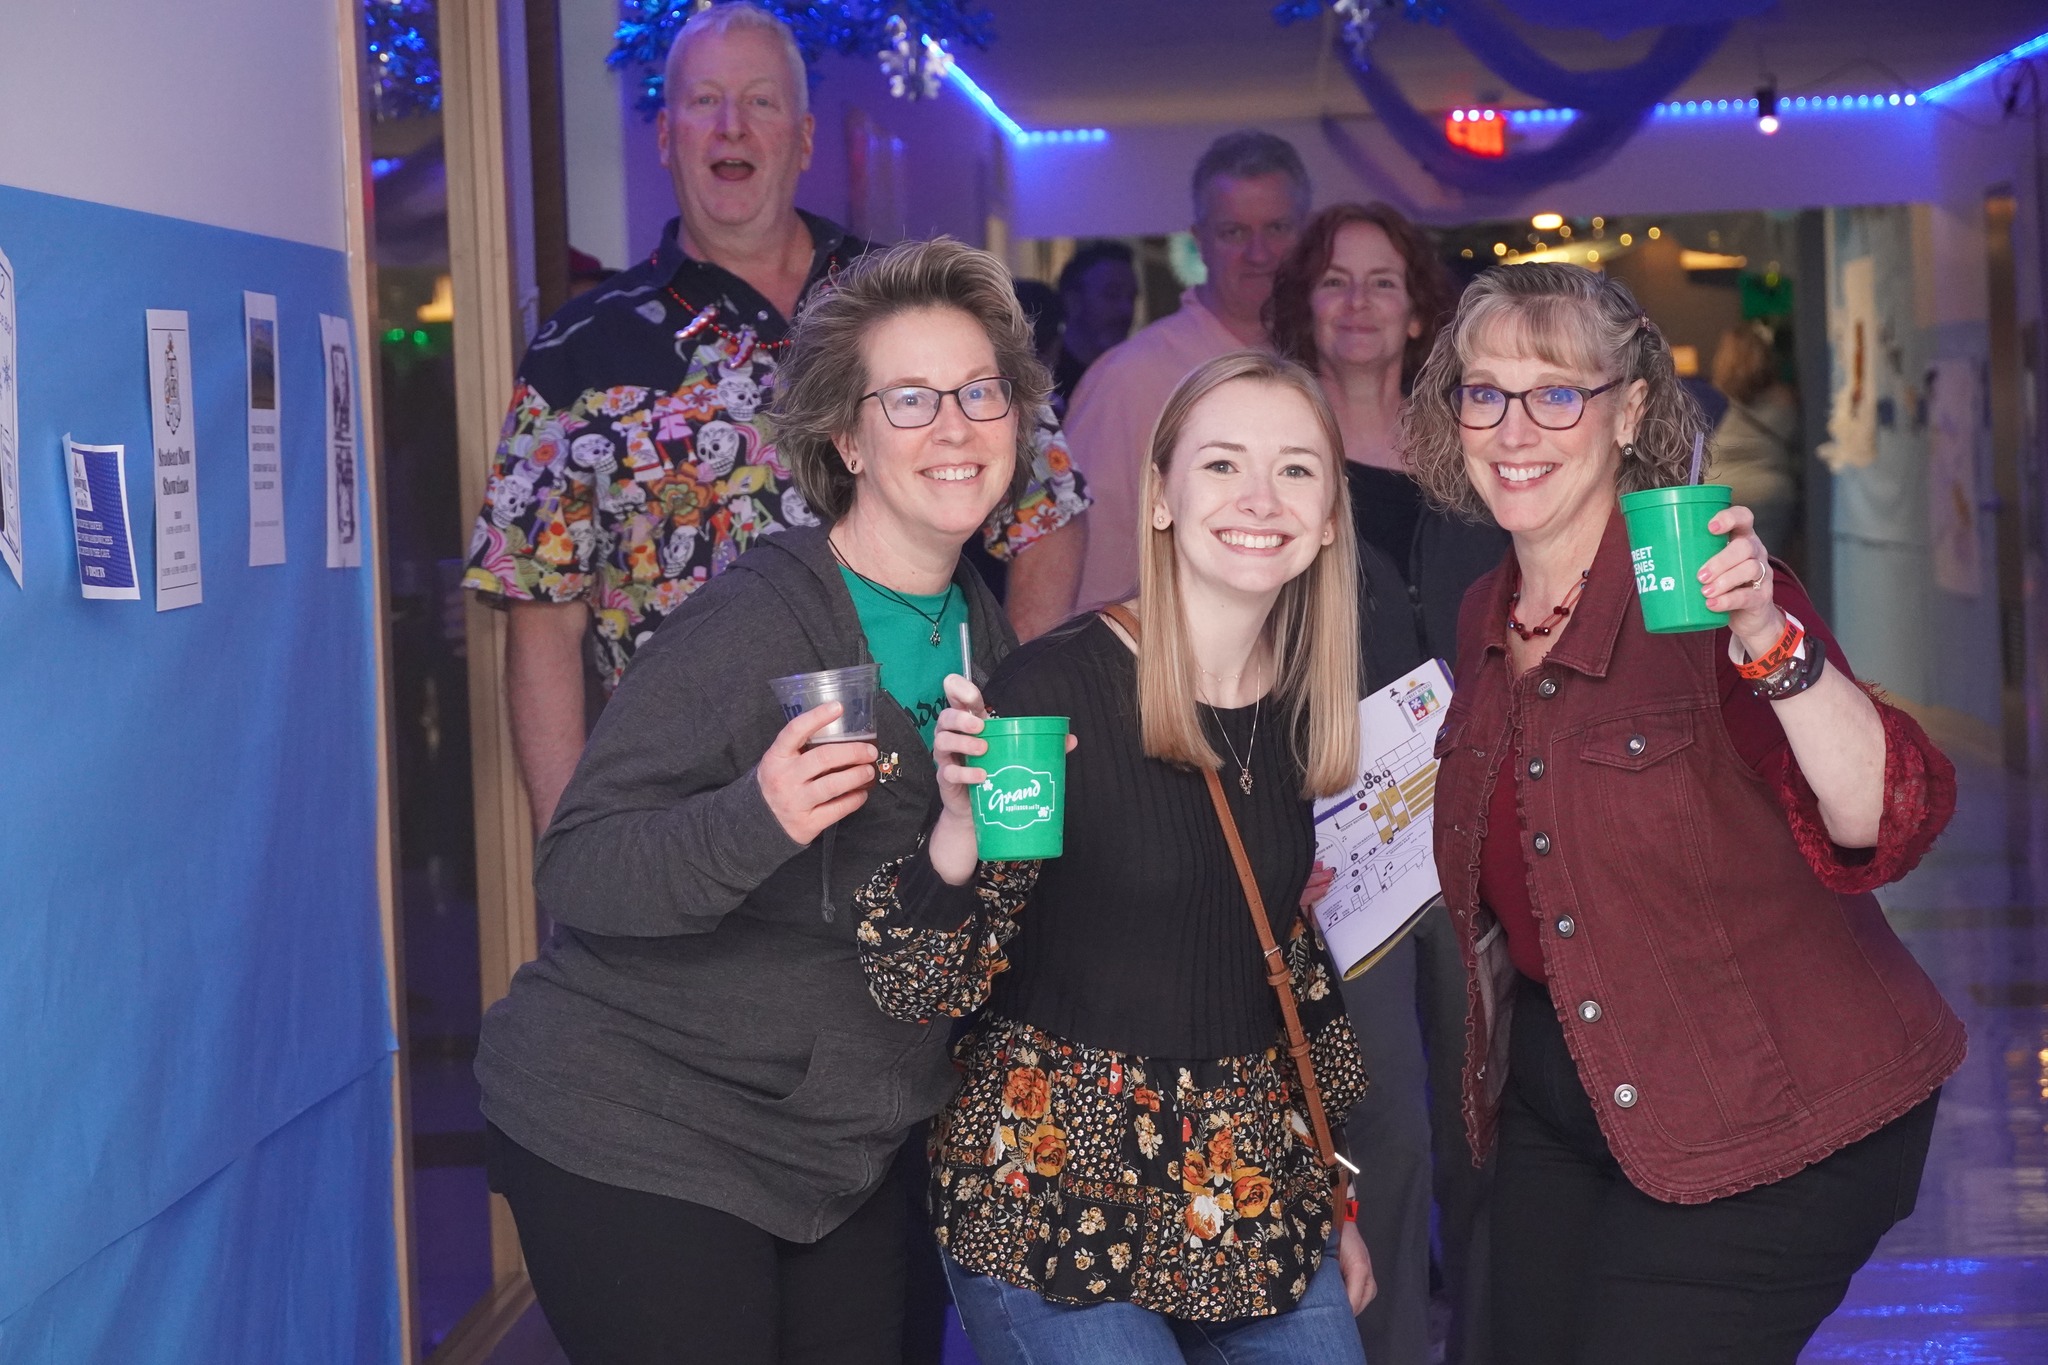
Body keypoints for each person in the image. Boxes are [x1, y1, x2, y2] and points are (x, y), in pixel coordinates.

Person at [475, 237, 1053, 1364]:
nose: (955, 425)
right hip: (642, 1117)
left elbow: (988, 906)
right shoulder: (760, 622)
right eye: (912, 397)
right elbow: (578, 864)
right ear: (847, 438)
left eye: (980, 391)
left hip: (839, 1146)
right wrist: (760, 816)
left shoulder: (990, 639)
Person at [1403, 262, 1962, 1364]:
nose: (1514, 427)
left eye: (1557, 393)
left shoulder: (1703, 583)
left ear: (1633, 410)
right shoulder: (1483, 607)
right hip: (1567, 1098)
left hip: (1775, 1109)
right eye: (1484, 392)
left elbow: (1880, 821)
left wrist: (1763, 633)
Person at [855, 351, 1379, 1364]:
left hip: (1246, 1182)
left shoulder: (1295, 711)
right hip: (1052, 1185)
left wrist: (1334, 1203)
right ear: (1161, 498)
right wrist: (956, 831)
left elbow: (1284, 972)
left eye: (1296, 471)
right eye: (1221, 465)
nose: (1259, 499)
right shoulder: (1054, 691)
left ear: (1326, 520)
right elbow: (917, 985)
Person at [461, 4, 1089, 837]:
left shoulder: (907, 303)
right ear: (664, 136)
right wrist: (574, 857)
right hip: (688, 820)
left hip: (918, 799)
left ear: (802, 140)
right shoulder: (582, 352)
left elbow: (1050, 507)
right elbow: (541, 615)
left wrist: (1009, 707)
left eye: (760, 103)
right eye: (704, 101)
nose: (732, 125)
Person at [1267, 201, 1506, 1365]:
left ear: (1419, 310)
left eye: (1379, 282)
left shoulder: (1473, 451)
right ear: (1301, 305)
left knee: (1485, 1118)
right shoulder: (1272, 455)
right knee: (1385, 1127)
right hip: (1337, 836)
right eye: (1331, 282)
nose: (1356, 303)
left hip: (1473, 830)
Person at [1065, 130, 1310, 612]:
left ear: (1306, 234)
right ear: (1201, 241)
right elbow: (1094, 577)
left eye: (1277, 229)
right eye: (1234, 232)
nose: (1259, 253)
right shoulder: (1130, 379)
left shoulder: (1329, 363)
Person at [1706, 323, 1800, 551]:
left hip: (1717, 494)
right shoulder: (1785, 399)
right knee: (1763, 567)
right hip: (1769, 496)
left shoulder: (1712, 401)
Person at [1050, 239, 1138, 410]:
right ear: (1073, 300)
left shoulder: (1134, 378)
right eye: (1112, 295)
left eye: (1131, 297)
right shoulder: (1046, 385)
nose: (1126, 309)